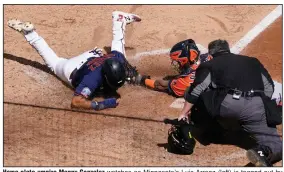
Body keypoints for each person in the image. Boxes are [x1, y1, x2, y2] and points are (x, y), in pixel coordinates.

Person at [176, 39, 282, 166]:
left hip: (228, 106)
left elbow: (196, 90)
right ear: (228, 50)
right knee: (277, 147)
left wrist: (183, 113)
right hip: (255, 108)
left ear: (210, 55)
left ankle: (212, 131)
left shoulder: (209, 64)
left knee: (195, 93)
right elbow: (269, 88)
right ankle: (261, 152)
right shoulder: (253, 61)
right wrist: (258, 106)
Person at [7, 11, 141, 111]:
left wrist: (147, 81)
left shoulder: (118, 58)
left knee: (118, 47)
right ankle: (30, 34)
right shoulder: (91, 80)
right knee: (54, 63)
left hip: (90, 57)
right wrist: (103, 104)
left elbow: (135, 74)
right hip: (71, 68)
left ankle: (119, 19)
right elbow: (76, 102)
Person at [133, 39, 212, 97]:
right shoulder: (208, 57)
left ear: (185, 60)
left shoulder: (185, 82)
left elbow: (161, 85)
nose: (177, 63)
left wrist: (142, 80)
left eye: (178, 61)